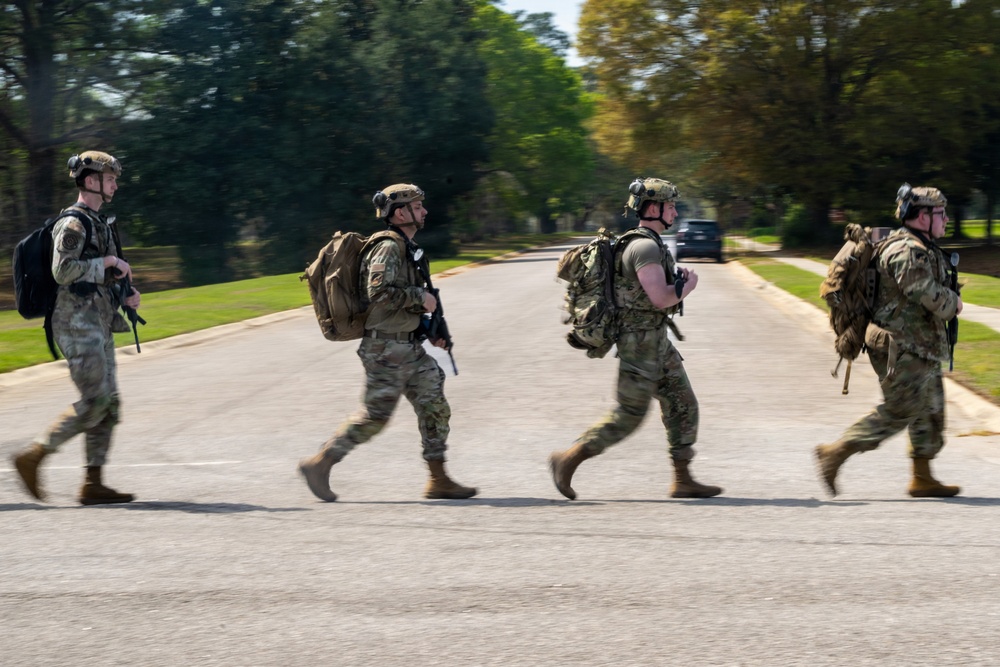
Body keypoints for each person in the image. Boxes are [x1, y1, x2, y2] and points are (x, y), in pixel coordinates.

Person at [298, 183, 477, 501]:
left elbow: (398, 301)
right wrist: (418, 296)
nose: (424, 211)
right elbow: (377, 293)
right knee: (375, 417)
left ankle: (438, 479)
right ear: (400, 212)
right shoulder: (388, 246)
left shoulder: (407, 247)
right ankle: (320, 463)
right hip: (385, 349)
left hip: (407, 346)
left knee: (434, 406)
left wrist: (429, 328)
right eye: (418, 206)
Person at [549, 177, 723, 500]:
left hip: (656, 341)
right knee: (628, 415)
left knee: (683, 403)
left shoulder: (648, 243)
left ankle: (683, 479)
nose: (674, 211)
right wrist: (688, 286)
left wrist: (678, 283)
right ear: (653, 208)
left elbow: (653, 293)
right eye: (670, 206)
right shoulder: (643, 246)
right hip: (639, 343)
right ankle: (568, 458)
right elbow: (659, 297)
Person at [815, 184, 963, 498]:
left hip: (919, 343)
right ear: (922, 216)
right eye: (941, 213)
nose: (947, 219)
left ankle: (922, 478)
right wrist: (954, 302)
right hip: (899, 345)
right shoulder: (906, 249)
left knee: (931, 409)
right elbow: (921, 290)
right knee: (900, 410)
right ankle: (836, 452)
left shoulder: (920, 244)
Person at [12, 150, 141, 505]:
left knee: (110, 404)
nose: (115, 184)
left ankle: (93, 483)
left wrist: (125, 291)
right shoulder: (73, 224)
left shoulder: (101, 223)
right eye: (110, 178)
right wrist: (108, 262)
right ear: (90, 181)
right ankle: (34, 455)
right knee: (96, 400)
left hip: (98, 321)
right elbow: (63, 271)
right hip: (75, 324)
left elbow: (103, 273)